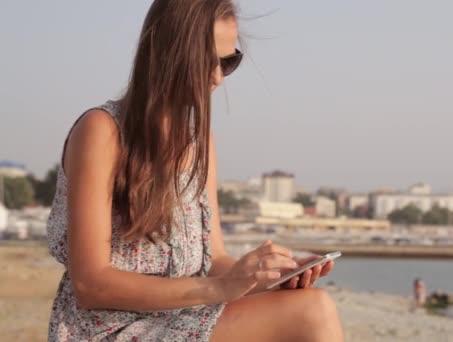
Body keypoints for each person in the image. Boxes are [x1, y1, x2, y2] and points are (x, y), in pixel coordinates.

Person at [46, 1, 344, 341]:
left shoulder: (198, 142)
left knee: (303, 301)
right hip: (113, 329)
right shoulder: (102, 131)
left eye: (229, 62)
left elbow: (214, 259)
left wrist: (271, 277)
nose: (217, 76)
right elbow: (91, 284)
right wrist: (219, 287)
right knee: (312, 312)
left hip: (182, 319)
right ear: (167, 51)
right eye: (208, 60)